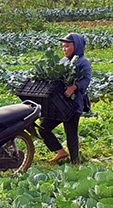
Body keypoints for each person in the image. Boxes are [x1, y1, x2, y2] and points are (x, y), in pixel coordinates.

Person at [39, 32, 92, 164]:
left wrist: (74, 87)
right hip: (58, 105)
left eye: (67, 46)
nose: (64, 49)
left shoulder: (83, 62)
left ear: (77, 46)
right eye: (63, 46)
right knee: (43, 128)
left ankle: (75, 162)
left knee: (71, 134)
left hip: (73, 105)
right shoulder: (62, 62)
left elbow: (86, 80)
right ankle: (60, 151)